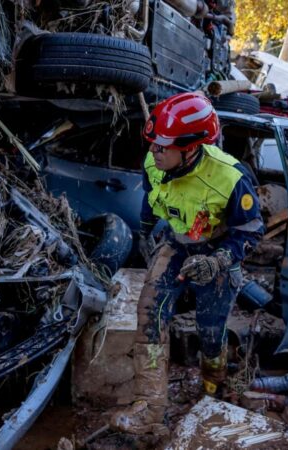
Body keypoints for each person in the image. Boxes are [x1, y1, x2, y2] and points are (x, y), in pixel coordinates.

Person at [110, 93, 264, 435]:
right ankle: (150, 408)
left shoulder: (230, 178)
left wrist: (218, 261)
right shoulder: (155, 163)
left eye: (163, 146)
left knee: (210, 333)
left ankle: (213, 384)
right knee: (150, 313)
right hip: (176, 245)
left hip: (218, 255)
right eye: (152, 143)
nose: (154, 152)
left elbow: (251, 230)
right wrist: (145, 232)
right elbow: (152, 200)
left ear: (192, 147)